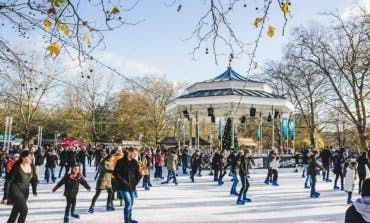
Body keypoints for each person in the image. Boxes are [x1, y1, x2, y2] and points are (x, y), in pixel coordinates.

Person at [2, 150, 37, 223]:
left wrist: (34, 190)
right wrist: (5, 196)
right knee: (24, 210)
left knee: (15, 212)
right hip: (15, 190)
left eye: (31, 157)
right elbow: (8, 181)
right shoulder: (17, 167)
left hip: (25, 192)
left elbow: (34, 179)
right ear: (23, 158)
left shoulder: (32, 166)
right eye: (29, 157)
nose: (31, 158)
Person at [114, 147, 142, 223]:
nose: (135, 155)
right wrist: (123, 181)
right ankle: (126, 220)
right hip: (123, 186)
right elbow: (115, 173)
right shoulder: (120, 161)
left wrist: (135, 183)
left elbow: (139, 174)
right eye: (134, 154)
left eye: (136, 154)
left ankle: (130, 218)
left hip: (132, 186)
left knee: (131, 203)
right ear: (129, 152)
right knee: (128, 202)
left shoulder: (134, 162)